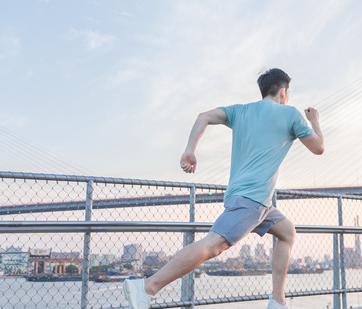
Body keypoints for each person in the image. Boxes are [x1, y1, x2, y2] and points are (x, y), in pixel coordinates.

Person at [123, 68, 324, 309]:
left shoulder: (241, 111)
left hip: (251, 200)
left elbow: (203, 116)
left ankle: (277, 301)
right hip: (253, 201)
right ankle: (147, 287)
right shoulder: (291, 114)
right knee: (213, 245)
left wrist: (190, 150)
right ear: (283, 91)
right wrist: (315, 122)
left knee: (287, 232)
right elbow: (319, 148)